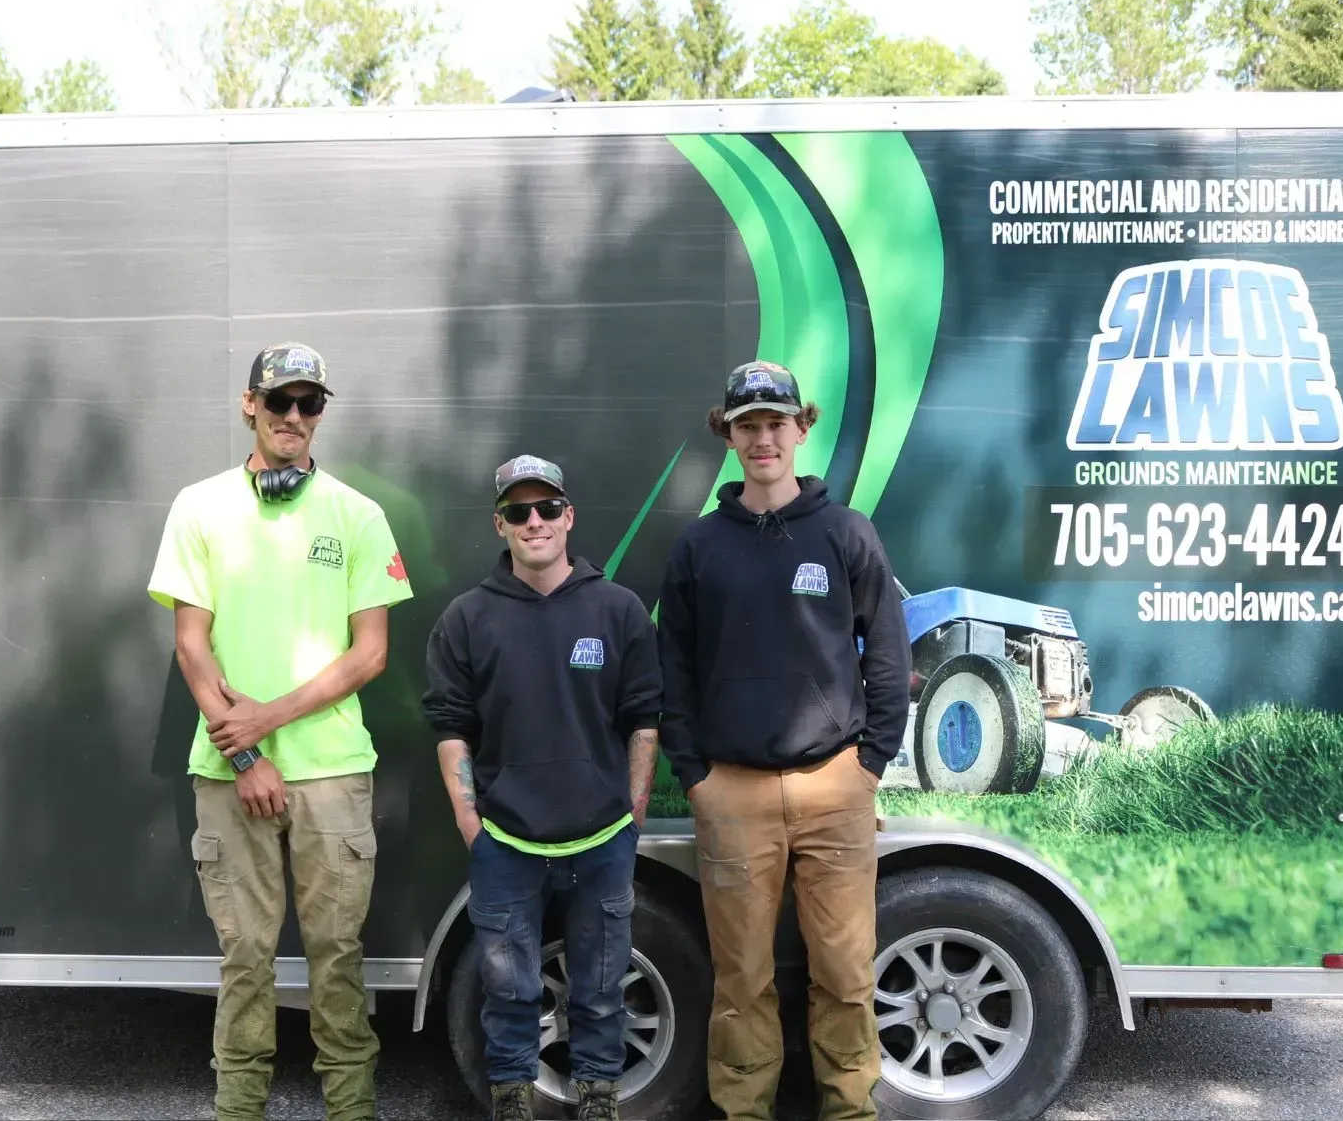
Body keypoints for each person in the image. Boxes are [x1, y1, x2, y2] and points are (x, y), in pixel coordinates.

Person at [147, 341, 415, 1121]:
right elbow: (190, 644)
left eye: (310, 404)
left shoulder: (358, 515)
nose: (294, 417)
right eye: (280, 402)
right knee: (246, 960)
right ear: (250, 405)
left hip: (332, 772)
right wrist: (249, 751)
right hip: (233, 774)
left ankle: (352, 1108)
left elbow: (371, 653)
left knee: (338, 958)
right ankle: (239, 1109)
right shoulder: (199, 507)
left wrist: (267, 716)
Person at [656, 361, 910, 1121]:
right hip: (731, 790)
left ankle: (850, 1107)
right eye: (747, 426)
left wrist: (869, 764)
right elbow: (673, 670)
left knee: (843, 971)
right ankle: (744, 1109)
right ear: (727, 435)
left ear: (803, 427)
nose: (763, 439)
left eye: (776, 423)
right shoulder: (698, 547)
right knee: (742, 977)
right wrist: (695, 774)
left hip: (836, 784)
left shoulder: (844, 532)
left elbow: (889, 655)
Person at [421, 454, 663, 1121]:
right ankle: (511, 1096)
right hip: (505, 841)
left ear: (569, 516)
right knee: (508, 987)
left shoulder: (617, 610)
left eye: (547, 507)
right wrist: (474, 825)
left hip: (603, 838)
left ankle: (597, 1094)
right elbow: (450, 729)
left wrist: (631, 815)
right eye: (519, 510)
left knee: (603, 985)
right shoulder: (467, 619)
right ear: (499, 524)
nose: (535, 521)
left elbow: (644, 719)